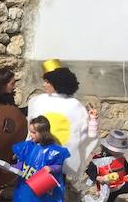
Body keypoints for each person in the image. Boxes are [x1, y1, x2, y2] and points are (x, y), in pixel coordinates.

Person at [26, 61, 98, 190]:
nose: (44, 85)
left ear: (57, 83)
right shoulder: (37, 102)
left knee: (57, 186)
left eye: (47, 82)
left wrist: (92, 120)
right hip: (38, 152)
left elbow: (83, 131)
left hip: (60, 158)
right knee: (36, 186)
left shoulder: (74, 105)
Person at [7, 116, 70, 202]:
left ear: (44, 132)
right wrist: (15, 165)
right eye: (30, 131)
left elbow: (59, 166)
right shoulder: (27, 146)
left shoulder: (54, 150)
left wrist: (51, 168)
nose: (31, 135)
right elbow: (20, 162)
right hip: (26, 185)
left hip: (44, 185)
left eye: (34, 132)